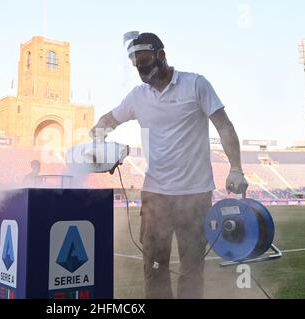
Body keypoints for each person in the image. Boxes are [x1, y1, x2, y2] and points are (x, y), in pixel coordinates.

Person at [90, 32, 248, 299]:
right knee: (154, 267)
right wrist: (96, 137)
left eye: (146, 61)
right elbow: (109, 119)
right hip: (156, 196)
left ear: (161, 55)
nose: (141, 68)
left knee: (192, 268)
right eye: (136, 64)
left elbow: (224, 125)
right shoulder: (137, 96)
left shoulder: (195, 84)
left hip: (195, 195)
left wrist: (236, 168)